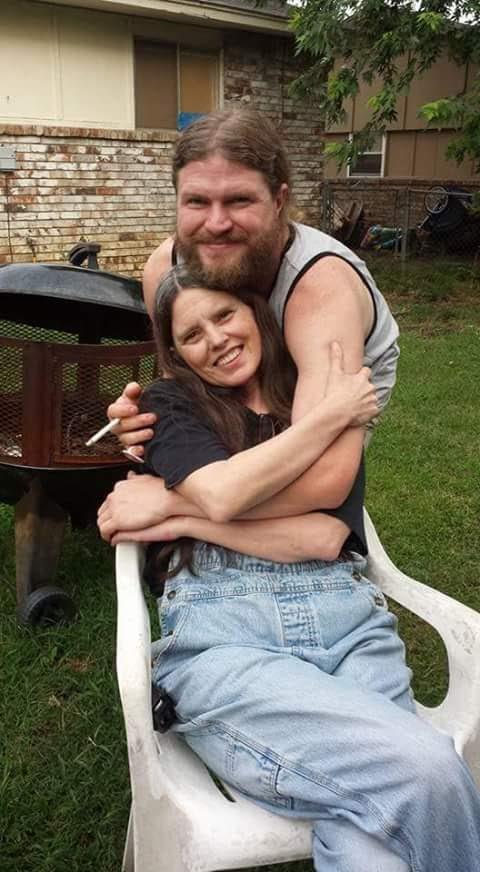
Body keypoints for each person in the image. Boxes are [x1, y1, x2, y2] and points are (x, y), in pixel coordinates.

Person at [98, 267, 480, 872]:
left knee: (372, 843)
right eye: (192, 334)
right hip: (223, 639)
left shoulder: (311, 386)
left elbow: (323, 535)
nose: (216, 338)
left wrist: (174, 511)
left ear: (256, 312)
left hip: (350, 629)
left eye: (225, 315)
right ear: (176, 354)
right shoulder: (167, 406)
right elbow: (224, 496)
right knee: (426, 770)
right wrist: (333, 416)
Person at [101, 108, 399, 538]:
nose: (216, 223)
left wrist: (170, 500)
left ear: (278, 201)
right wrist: (154, 426)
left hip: (317, 398)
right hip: (252, 426)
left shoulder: (320, 288)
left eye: (239, 200)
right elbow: (188, 389)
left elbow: (324, 482)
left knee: (308, 498)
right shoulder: (164, 269)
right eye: (197, 201)